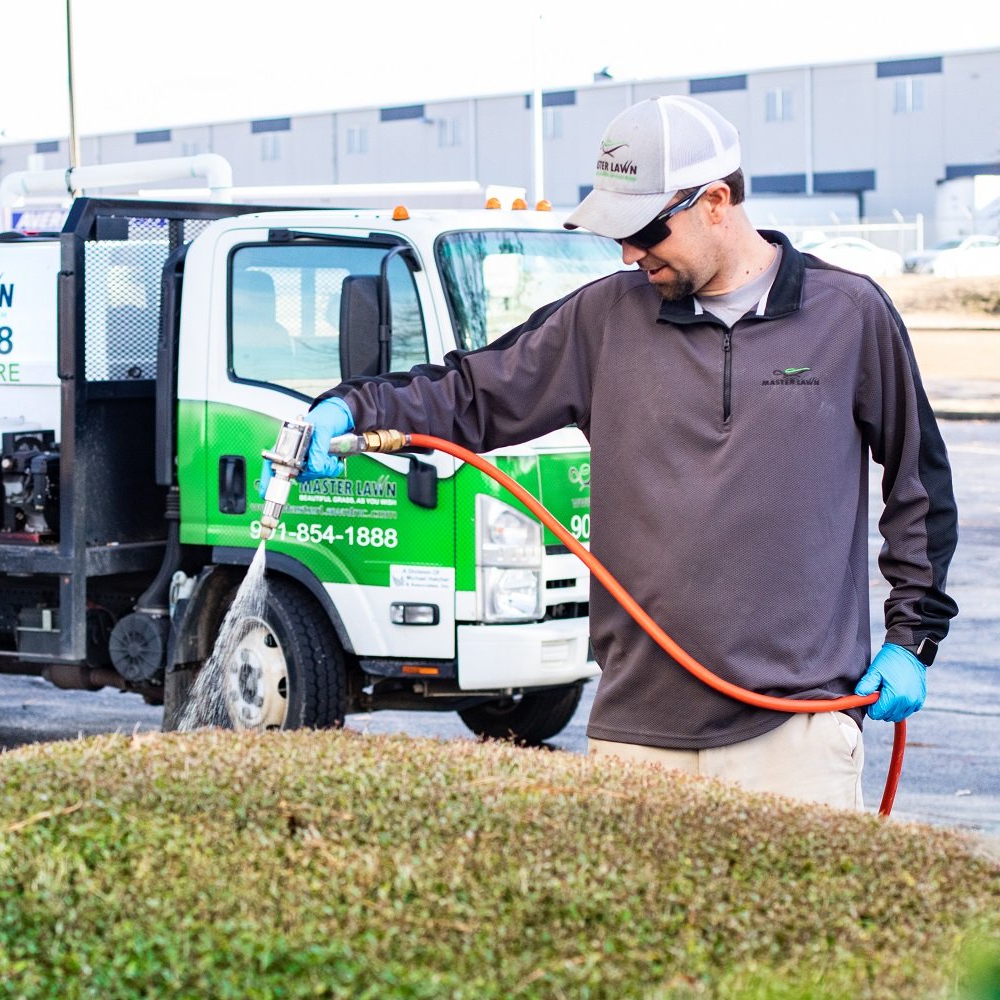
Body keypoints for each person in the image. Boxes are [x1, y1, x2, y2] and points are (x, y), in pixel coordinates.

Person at [295, 95, 958, 810]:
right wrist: (357, 409)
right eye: (619, 234)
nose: (629, 252)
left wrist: (911, 637)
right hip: (637, 737)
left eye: (644, 230)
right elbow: (473, 395)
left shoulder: (850, 316)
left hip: (798, 737)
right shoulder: (603, 321)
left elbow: (918, 479)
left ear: (715, 202)